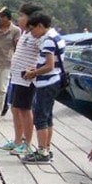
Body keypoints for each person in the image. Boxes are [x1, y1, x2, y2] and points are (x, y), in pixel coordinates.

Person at [0, 3, 44, 156]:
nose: (19, 19)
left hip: (27, 79)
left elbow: (43, 55)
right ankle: (18, 140)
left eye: (22, 16)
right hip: (17, 77)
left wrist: (35, 70)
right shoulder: (25, 33)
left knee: (25, 110)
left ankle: (27, 144)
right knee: (14, 108)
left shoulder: (36, 36)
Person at [21, 12, 64, 164]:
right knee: (47, 116)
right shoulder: (57, 37)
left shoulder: (48, 41)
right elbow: (53, 63)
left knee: (40, 117)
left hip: (47, 83)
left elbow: (49, 66)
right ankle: (46, 147)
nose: (31, 33)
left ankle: (42, 152)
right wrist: (36, 68)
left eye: (32, 29)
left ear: (40, 26)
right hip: (54, 80)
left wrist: (33, 73)